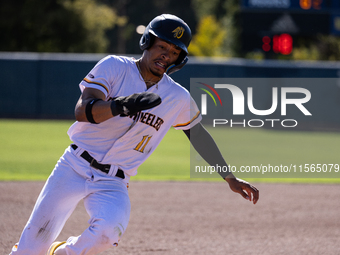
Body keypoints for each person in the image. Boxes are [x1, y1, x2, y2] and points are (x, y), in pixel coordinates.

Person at [10, 14, 259, 255]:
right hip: (74, 166)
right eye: (162, 46)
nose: (166, 55)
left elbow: (199, 135)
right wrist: (121, 105)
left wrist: (229, 176)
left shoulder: (178, 97)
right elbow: (82, 111)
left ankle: (61, 253)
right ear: (147, 42)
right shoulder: (115, 67)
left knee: (108, 233)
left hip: (114, 181)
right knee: (31, 249)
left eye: (174, 52)